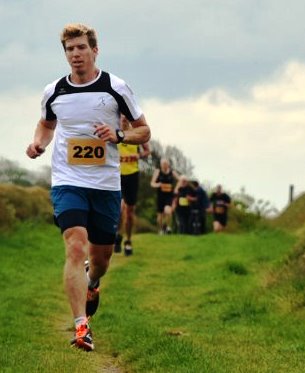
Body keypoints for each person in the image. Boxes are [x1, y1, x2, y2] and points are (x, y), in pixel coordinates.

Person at [25, 23, 150, 352]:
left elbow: (144, 131)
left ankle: (92, 281)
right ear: (65, 53)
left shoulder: (115, 88)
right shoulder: (54, 91)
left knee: (101, 260)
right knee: (75, 246)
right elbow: (46, 124)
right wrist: (39, 143)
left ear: (95, 50)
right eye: (70, 49)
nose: (76, 54)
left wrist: (119, 136)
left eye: (81, 48)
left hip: (106, 184)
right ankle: (82, 327)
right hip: (68, 181)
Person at [116, 114, 150, 256]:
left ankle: (128, 240)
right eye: (122, 116)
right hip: (116, 174)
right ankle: (116, 235)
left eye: (126, 116)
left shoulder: (135, 133)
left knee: (129, 211)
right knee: (118, 208)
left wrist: (139, 156)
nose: (124, 118)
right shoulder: (113, 129)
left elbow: (147, 150)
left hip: (132, 175)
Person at [150, 158, 179, 234]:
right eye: (163, 164)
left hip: (169, 195)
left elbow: (180, 179)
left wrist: (176, 188)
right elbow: (152, 183)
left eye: (166, 164)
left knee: (168, 210)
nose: (165, 166)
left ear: (168, 164)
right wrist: (158, 184)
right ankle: (161, 230)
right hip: (160, 195)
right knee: (160, 214)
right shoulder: (157, 171)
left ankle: (168, 227)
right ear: (161, 165)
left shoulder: (172, 172)